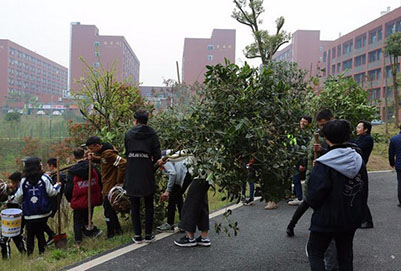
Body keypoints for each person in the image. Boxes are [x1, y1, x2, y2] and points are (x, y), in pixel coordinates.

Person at [306, 119, 368, 270]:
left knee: (315, 252)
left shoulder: (323, 164)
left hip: (325, 219)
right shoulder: (358, 159)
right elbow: (364, 190)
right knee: (345, 254)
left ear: (326, 138)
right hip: (350, 217)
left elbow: (313, 197)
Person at [287, 109, 333, 236]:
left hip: (325, 176)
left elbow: (338, 153)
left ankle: (318, 230)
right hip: (312, 174)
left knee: (320, 204)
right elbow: (307, 151)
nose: (322, 128)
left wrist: (323, 151)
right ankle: (291, 225)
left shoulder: (334, 135)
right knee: (308, 202)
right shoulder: (316, 135)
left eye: (324, 124)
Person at [124, 110, 164, 243]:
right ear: (147, 120)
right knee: (149, 204)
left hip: (132, 170)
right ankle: (148, 234)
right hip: (146, 170)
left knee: (134, 204)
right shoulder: (152, 133)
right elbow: (157, 156)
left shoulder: (129, 134)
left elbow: (127, 152)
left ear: (135, 120)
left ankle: (137, 235)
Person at [13, 157, 61, 255]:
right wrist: (58, 185)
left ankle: (30, 254)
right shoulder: (45, 178)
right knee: (40, 233)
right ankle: (42, 253)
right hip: (43, 211)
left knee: (30, 233)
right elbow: (52, 192)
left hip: (29, 213)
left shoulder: (23, 181)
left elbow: (18, 197)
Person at [86, 136, 126, 238]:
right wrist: (94, 158)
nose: (91, 151)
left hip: (111, 186)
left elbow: (122, 163)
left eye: (92, 149)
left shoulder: (108, 153)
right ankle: (117, 230)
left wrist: (119, 181)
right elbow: (104, 161)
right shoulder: (104, 154)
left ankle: (111, 233)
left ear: (98, 145)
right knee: (109, 209)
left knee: (107, 209)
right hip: (106, 184)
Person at [64, 147, 103, 243]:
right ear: (84, 155)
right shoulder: (91, 167)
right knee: (87, 217)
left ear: (74, 157)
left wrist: (71, 200)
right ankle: (89, 233)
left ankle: (78, 240)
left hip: (79, 201)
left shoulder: (72, 172)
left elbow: (68, 189)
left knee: (77, 221)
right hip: (91, 199)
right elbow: (100, 181)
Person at [158, 150, 192, 232]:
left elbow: (173, 173)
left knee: (174, 197)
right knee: (177, 198)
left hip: (185, 174)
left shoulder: (163, 158)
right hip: (186, 173)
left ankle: (175, 224)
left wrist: (167, 191)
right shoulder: (165, 154)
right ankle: (181, 223)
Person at [174, 174, 211, 247]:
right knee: (202, 204)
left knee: (190, 205)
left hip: (199, 177)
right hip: (208, 177)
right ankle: (204, 237)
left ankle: (190, 237)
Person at [0, 172, 26, 259]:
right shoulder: (11, 189)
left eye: (13, 182)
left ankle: (23, 254)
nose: (12, 184)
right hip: (8, 216)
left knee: (9, 237)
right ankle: (22, 255)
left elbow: (16, 199)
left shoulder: (20, 190)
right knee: (13, 236)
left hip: (15, 216)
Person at [288, 115, 312, 206]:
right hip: (296, 160)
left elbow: (305, 150)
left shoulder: (307, 135)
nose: (301, 123)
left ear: (308, 124)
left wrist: (303, 163)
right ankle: (300, 197)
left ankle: (301, 198)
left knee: (302, 178)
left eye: (304, 122)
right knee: (296, 179)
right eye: (301, 121)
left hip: (304, 161)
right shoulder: (298, 133)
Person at [355, 121, 374, 229]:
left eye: (359, 127)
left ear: (365, 129)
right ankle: (361, 219)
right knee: (357, 195)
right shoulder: (359, 138)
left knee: (361, 195)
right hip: (357, 168)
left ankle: (368, 220)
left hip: (360, 168)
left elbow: (357, 149)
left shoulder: (367, 139)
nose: (357, 129)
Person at [388, 124, 401, 207]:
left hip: (399, 165)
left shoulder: (394, 139)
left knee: (400, 183)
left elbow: (391, 153)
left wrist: (392, 163)